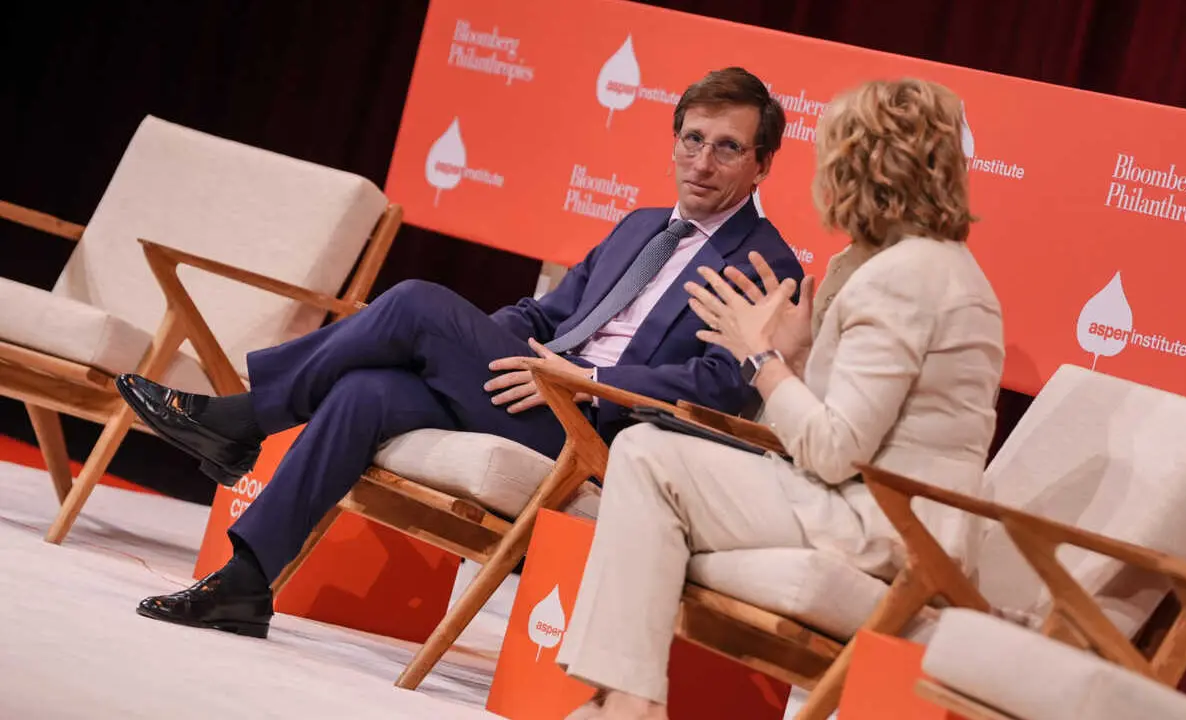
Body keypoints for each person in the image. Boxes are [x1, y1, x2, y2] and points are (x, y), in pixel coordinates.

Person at [119, 66, 802, 638]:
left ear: (762, 163)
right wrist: (473, 349)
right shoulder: (641, 225)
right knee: (367, 392)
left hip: (600, 431)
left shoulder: (766, 262)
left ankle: (245, 419)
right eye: (692, 140)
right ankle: (246, 582)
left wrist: (585, 379)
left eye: (727, 148)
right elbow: (546, 313)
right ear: (673, 140)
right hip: (528, 387)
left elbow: (718, 386)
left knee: (416, 301)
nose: (702, 163)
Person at [554, 78, 1005, 719]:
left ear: (865, 165)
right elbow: (853, 424)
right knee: (650, 450)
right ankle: (621, 697)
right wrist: (797, 355)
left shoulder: (906, 279)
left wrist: (761, 359)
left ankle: (627, 703)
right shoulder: (909, 264)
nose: (824, 172)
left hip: (889, 527)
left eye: (834, 156)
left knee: (650, 457)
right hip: (861, 500)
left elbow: (831, 449)